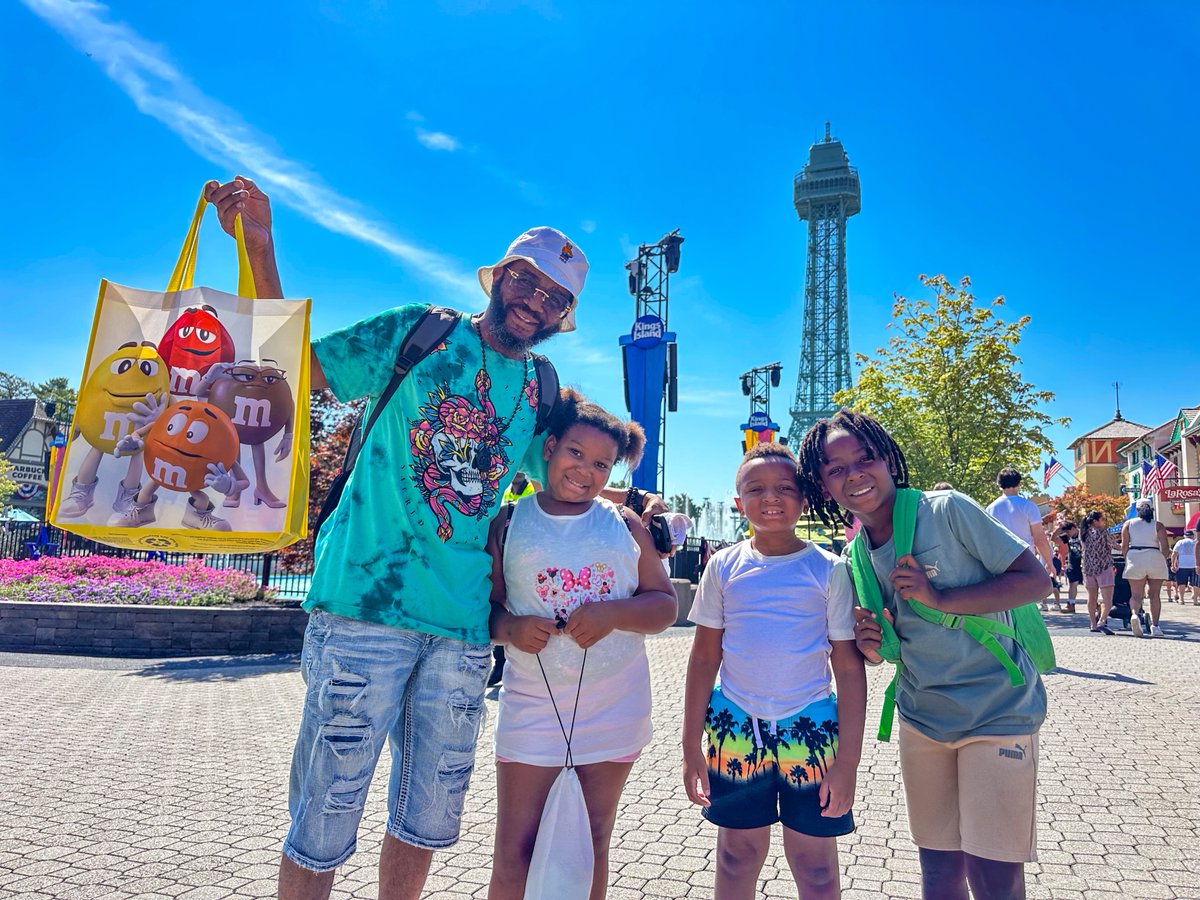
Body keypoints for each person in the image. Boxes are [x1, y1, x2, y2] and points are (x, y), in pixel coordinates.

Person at [202, 177, 666, 900]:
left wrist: (634, 503)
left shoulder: (543, 388)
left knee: (424, 823)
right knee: (324, 813)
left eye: (555, 298)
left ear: (564, 317)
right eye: (526, 282)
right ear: (499, 276)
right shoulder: (421, 330)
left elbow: (573, 466)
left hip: (461, 629)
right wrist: (261, 249)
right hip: (364, 608)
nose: (535, 302)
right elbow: (295, 369)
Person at [797, 409, 1049, 900]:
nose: (855, 474)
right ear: (825, 486)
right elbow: (891, 644)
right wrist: (874, 645)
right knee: (938, 870)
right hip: (922, 718)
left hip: (996, 710)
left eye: (865, 458)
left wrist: (942, 599)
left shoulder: (946, 510)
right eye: (836, 468)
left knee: (993, 874)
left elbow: (1036, 581)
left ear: (889, 459)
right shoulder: (855, 555)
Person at [485, 390, 677, 899]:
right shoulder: (509, 522)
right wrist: (511, 631)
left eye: (602, 464)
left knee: (590, 846)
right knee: (515, 852)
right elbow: (487, 610)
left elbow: (664, 605)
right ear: (549, 448)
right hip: (532, 706)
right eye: (575, 453)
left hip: (615, 706)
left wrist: (614, 613)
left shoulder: (624, 524)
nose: (586, 471)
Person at [682, 442, 866, 900]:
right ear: (738, 500)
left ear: (804, 498)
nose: (771, 497)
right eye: (756, 488)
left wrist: (848, 763)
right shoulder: (723, 566)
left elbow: (847, 665)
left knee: (816, 866)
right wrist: (689, 745)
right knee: (735, 856)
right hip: (735, 729)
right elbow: (704, 657)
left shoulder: (829, 570)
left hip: (813, 731)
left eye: (785, 487)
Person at [985, 467, 1060, 613]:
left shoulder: (991, 508)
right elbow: (1039, 538)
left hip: (1000, 560)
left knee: (1004, 604)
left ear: (998, 484)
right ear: (1019, 484)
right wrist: (1049, 563)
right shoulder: (1028, 506)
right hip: (1025, 558)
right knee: (1025, 603)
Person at [1119, 498, 1170, 637]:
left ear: (1137, 510)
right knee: (1154, 596)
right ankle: (1155, 626)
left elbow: (1124, 546)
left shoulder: (1128, 524)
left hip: (1135, 556)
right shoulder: (1158, 525)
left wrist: (1127, 558)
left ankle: (1135, 615)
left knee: (1136, 595)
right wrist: (1161, 559)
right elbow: (1165, 547)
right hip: (1154, 555)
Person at [1079, 511, 1116, 634]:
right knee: (1107, 598)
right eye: (1102, 519)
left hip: (1088, 568)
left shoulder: (1083, 533)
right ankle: (1102, 620)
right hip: (1104, 566)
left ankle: (1092, 624)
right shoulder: (1102, 532)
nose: (1103, 522)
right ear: (1095, 521)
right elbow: (1111, 545)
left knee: (1092, 597)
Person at [1053, 521, 1084, 613]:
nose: (1067, 534)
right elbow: (1054, 539)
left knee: (1089, 585)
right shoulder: (1067, 537)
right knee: (1072, 584)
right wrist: (1060, 528)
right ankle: (1071, 604)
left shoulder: (1082, 535)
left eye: (1068, 531)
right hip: (1073, 563)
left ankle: (1095, 604)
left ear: (1074, 529)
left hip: (1084, 562)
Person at [1170, 530, 1197, 605]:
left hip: (1182, 565)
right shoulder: (1195, 542)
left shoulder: (1180, 542)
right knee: (1196, 583)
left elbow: (1174, 554)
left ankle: (1181, 599)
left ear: (1184, 536)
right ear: (1192, 536)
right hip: (1194, 565)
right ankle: (1195, 600)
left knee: (1181, 583)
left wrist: (1173, 564)